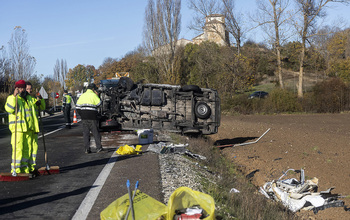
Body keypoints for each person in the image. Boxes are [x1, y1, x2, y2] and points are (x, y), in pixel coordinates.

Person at [4, 80, 33, 174]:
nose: (22, 90)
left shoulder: (24, 99)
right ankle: (15, 169)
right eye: (20, 88)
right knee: (18, 150)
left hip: (25, 129)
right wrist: (14, 96)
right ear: (16, 88)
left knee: (26, 150)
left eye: (23, 88)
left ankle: (24, 168)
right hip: (17, 129)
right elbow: (10, 109)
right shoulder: (11, 98)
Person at [76, 83, 103, 153]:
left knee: (86, 133)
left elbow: (77, 107)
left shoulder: (82, 95)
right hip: (92, 116)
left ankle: (87, 149)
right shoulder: (94, 95)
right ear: (93, 89)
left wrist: (81, 114)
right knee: (95, 132)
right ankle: (99, 148)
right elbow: (99, 104)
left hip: (84, 117)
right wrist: (97, 96)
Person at [25, 82, 45, 174]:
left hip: (35, 128)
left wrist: (40, 99)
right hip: (27, 128)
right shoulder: (24, 99)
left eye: (30, 89)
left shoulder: (33, 99)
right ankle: (26, 168)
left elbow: (42, 107)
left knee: (34, 148)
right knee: (28, 148)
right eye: (28, 89)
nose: (30, 90)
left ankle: (32, 167)